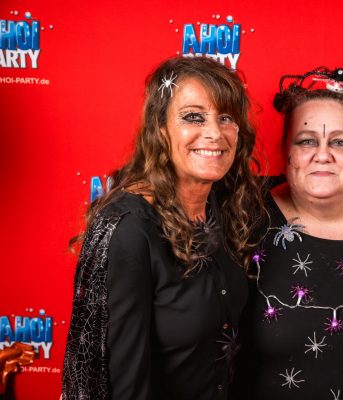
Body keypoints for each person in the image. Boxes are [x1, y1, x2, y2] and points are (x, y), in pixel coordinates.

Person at [62, 56, 268, 400]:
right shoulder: (130, 228)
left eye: (226, 117)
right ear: (160, 128)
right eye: (193, 117)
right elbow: (125, 384)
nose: (214, 133)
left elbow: (306, 182)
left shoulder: (226, 201)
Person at [232, 53, 343, 400]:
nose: (322, 155)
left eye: (340, 142)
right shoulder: (244, 216)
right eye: (307, 141)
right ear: (285, 150)